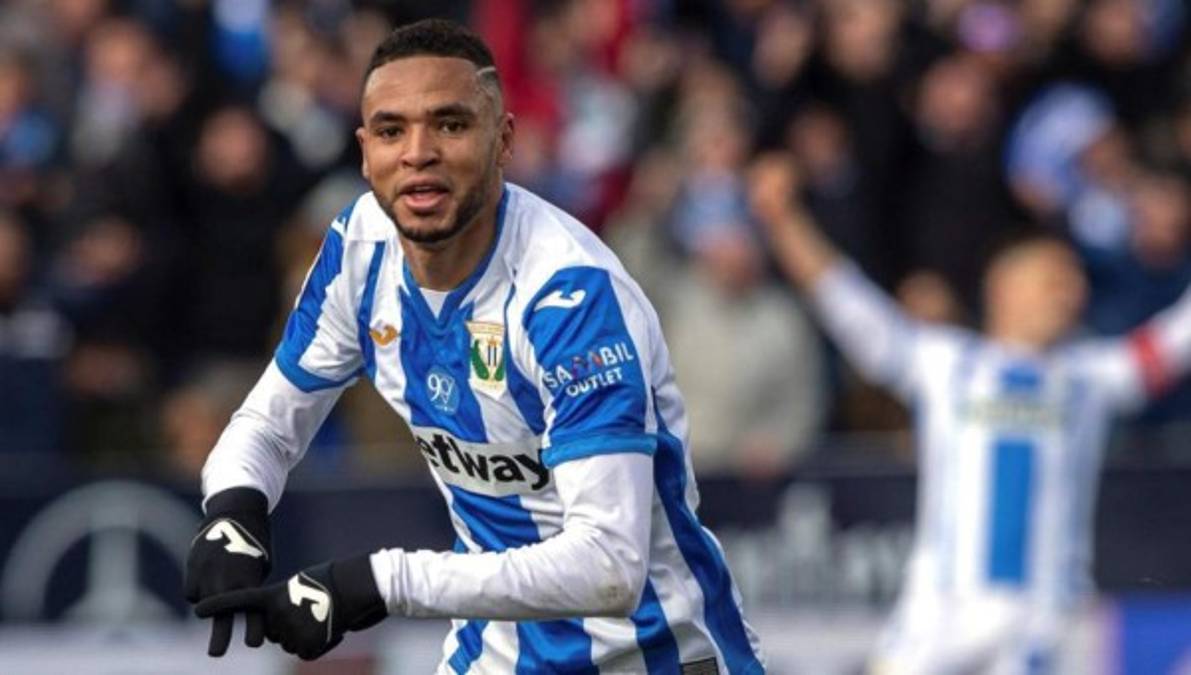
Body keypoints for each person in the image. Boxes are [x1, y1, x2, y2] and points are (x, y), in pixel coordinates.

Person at [183, 19, 765, 674]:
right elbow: (269, 424)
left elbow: (608, 565)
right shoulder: (360, 249)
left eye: (450, 125)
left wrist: (376, 582)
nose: (418, 153)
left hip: (650, 657)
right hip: (496, 656)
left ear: (503, 140)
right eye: (391, 130)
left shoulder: (567, 295)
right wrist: (233, 509)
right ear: (364, 151)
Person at [748, 153, 1191, 674]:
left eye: (1075, 282)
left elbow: (1177, 339)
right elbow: (846, 304)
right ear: (1005, 285)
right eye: (1054, 279)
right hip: (939, 621)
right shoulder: (945, 364)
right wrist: (783, 219)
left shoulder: (1089, 379)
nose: (1072, 294)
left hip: (1042, 626)